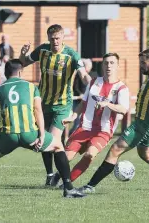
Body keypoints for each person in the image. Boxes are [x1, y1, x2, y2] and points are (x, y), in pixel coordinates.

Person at [77, 49, 149, 194]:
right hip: (145, 122)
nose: (140, 66)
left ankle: (90, 186)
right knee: (146, 155)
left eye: (143, 63)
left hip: (144, 123)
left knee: (115, 150)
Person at [0, 59, 85, 198]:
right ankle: (68, 188)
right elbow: (38, 111)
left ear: (5, 73)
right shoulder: (31, 87)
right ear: (20, 71)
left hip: (8, 136)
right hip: (29, 134)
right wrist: (42, 135)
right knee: (57, 146)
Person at [19, 24, 92, 186]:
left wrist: (92, 84)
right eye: (52, 39)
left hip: (62, 105)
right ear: (48, 38)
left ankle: (62, 179)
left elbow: (83, 74)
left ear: (63, 38)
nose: (55, 42)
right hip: (43, 103)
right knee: (44, 139)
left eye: (58, 38)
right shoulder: (42, 51)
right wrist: (22, 54)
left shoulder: (71, 55)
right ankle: (50, 174)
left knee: (53, 140)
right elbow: (22, 64)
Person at [49, 53, 129, 187]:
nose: (108, 66)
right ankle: (58, 174)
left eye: (112, 63)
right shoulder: (93, 82)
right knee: (66, 157)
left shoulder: (121, 88)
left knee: (89, 155)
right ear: (102, 65)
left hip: (103, 131)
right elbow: (83, 103)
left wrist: (107, 104)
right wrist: (73, 116)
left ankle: (67, 184)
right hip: (84, 127)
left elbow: (123, 109)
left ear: (118, 65)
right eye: (106, 63)